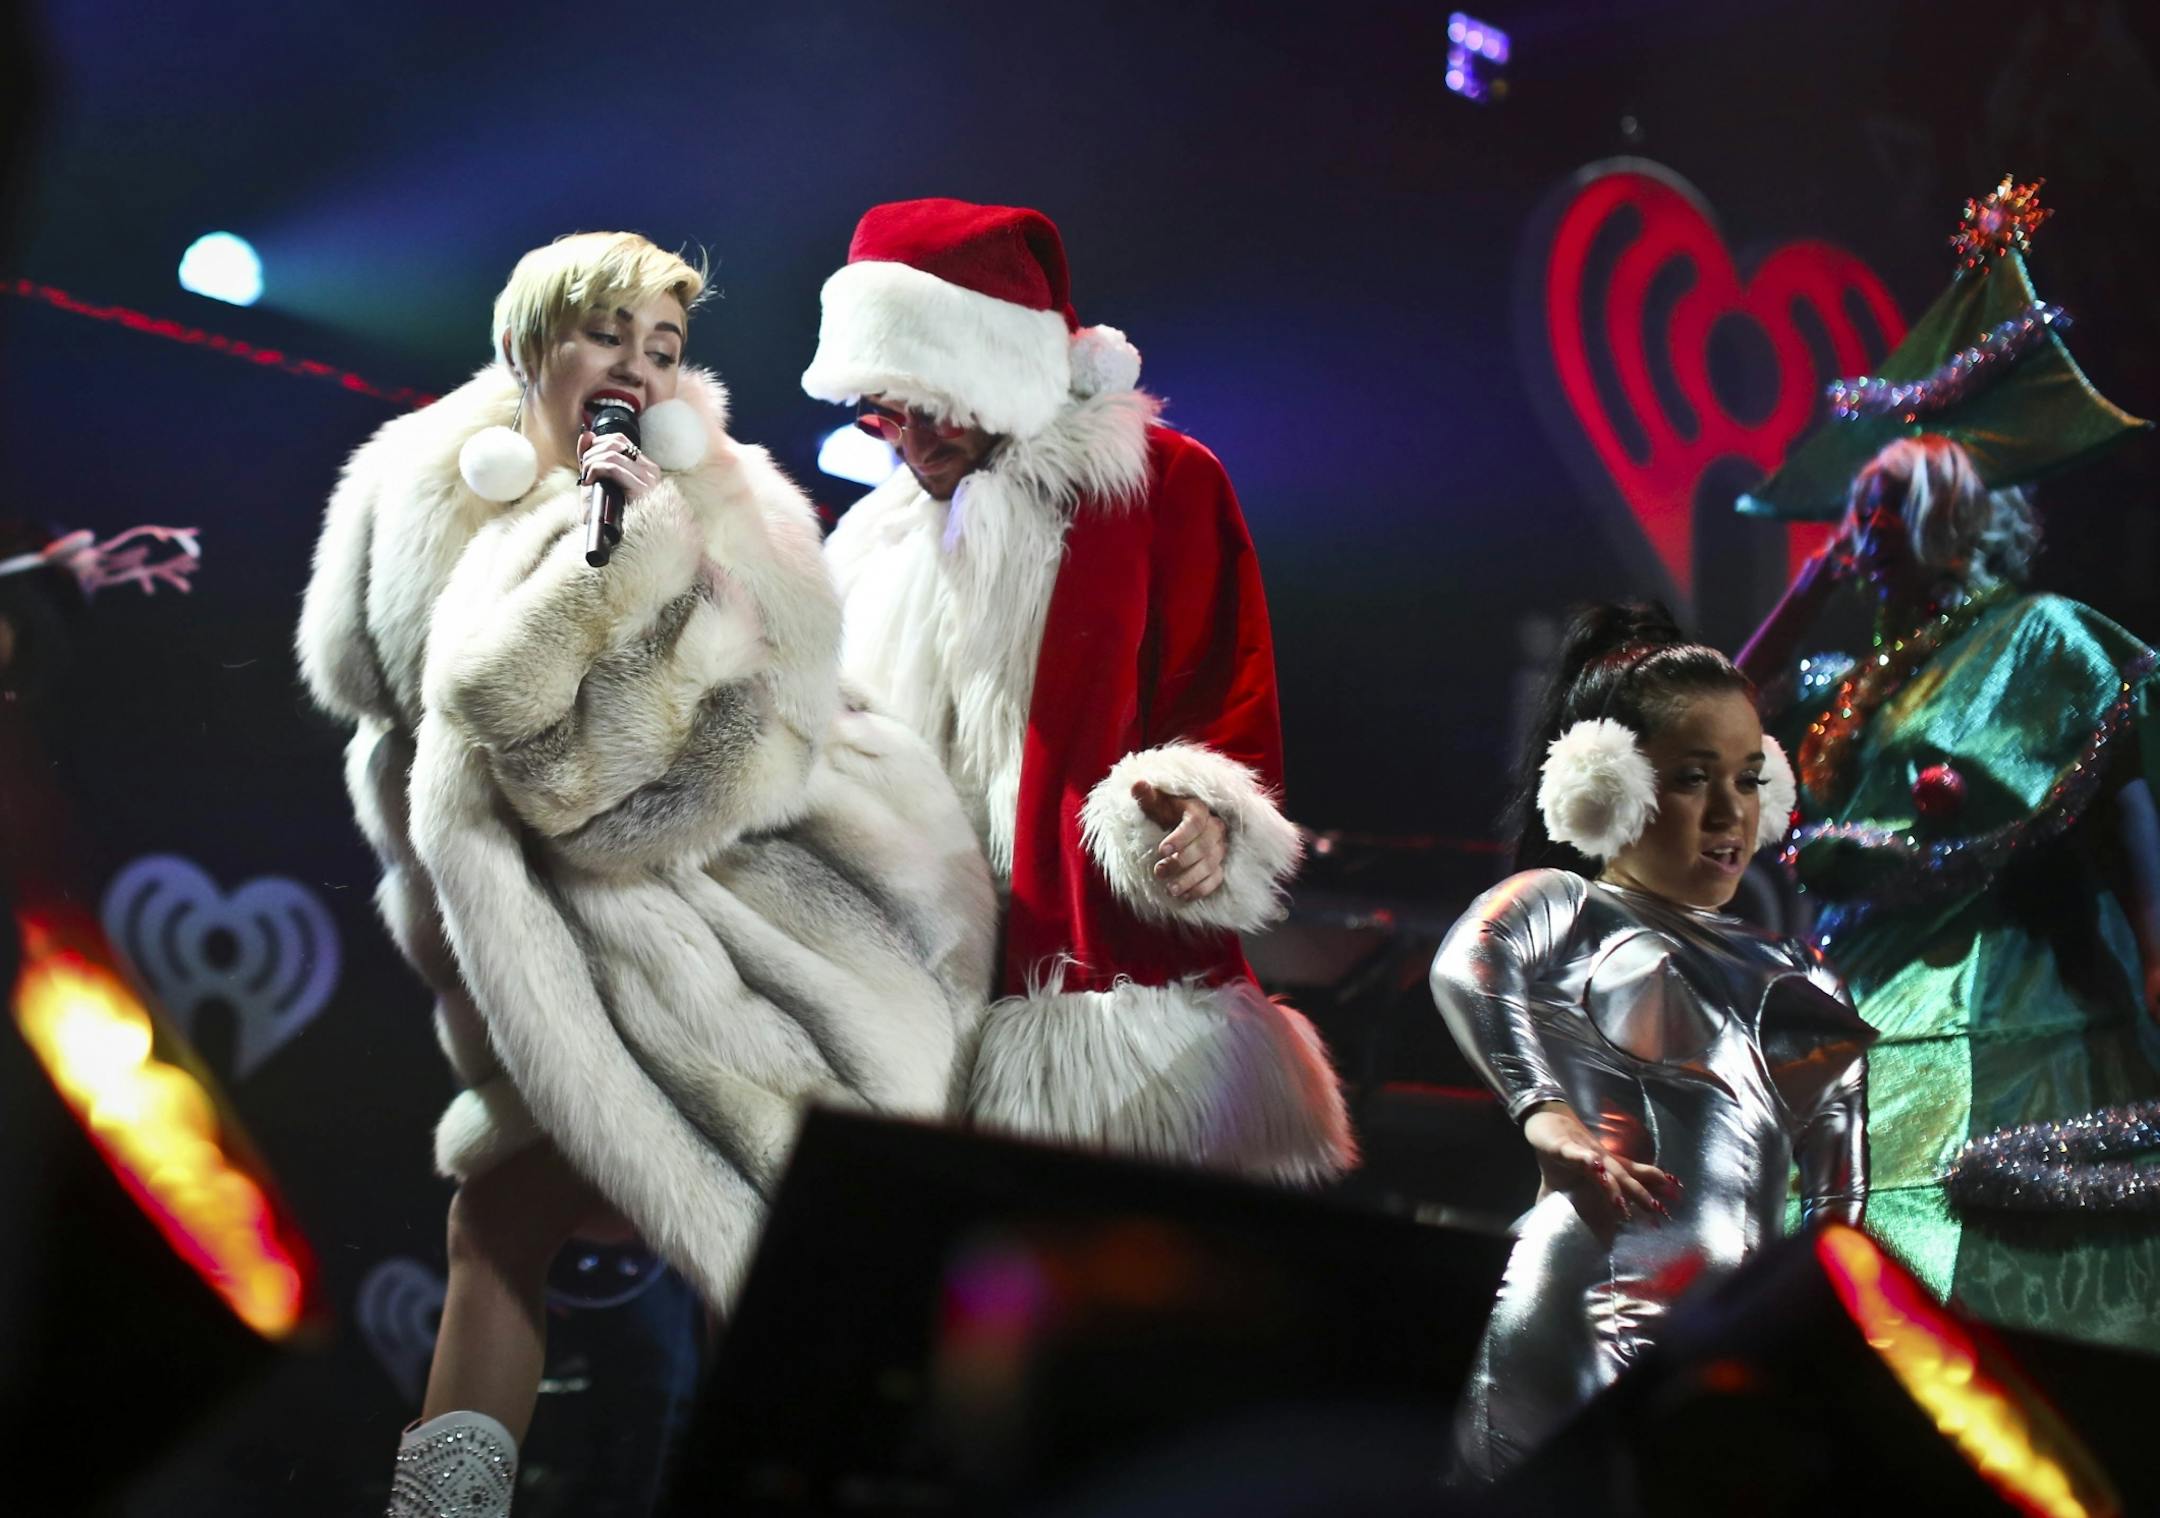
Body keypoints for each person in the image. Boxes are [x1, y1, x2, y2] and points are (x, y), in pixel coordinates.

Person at [297, 232, 995, 1517]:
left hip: (706, 937)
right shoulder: (417, 482)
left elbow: (690, 768)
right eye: (607, 335)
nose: (637, 368)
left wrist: (620, 565)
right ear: (531, 342)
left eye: (663, 348)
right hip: (533, 943)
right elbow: (385, 696)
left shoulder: (725, 506)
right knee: (514, 1232)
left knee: (722, 1238)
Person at [801, 197, 1352, 1181]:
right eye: (889, 410)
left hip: (1100, 986)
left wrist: (1206, 813)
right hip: (914, 997)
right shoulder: (874, 536)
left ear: (1001, 370)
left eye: (940, 405)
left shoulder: (1154, 483)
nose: (915, 442)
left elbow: (1223, 695)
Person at [1430, 603, 1872, 1481]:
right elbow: (1467, 963)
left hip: (1728, 1344)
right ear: (1611, 787)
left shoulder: (1805, 977)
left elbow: (1839, 1210)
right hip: (1582, 1308)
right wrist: (1545, 1113)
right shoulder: (1570, 905)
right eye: (1693, 778)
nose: (1730, 811)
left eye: (1750, 779)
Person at [1739, 433, 2160, 1353]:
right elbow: (1713, 713)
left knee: (1916, 1201)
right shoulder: (1860, 682)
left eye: (1896, 504)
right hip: (1855, 970)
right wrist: (1804, 597)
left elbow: (2125, 780)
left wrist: (2157, 942)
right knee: (1805, 1206)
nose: (1871, 527)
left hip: (1997, 966)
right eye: (1862, 509)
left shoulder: (2037, 631)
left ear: (1958, 516)